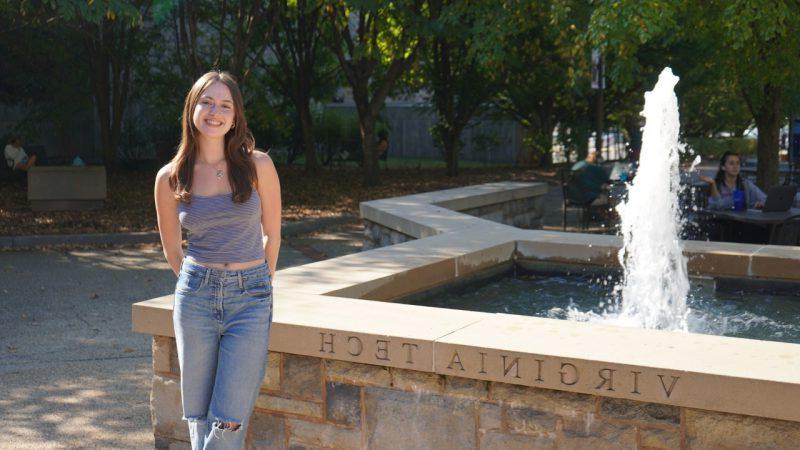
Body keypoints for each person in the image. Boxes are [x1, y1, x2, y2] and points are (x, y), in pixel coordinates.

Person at [154, 71, 281, 450]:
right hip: (196, 298)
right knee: (199, 416)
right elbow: (172, 249)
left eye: (225, 105)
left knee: (228, 419)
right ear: (192, 109)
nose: (215, 111)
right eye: (207, 102)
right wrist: (198, 281)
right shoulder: (170, 177)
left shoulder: (258, 166)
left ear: (236, 116)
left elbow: (272, 233)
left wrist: (262, 279)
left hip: (251, 299)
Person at [700, 151, 766, 210]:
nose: (735, 166)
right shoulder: (716, 184)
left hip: (742, 221)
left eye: (737, 163)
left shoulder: (745, 184)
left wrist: (760, 203)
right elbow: (716, 205)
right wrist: (713, 184)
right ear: (723, 167)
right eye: (731, 163)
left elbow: (765, 199)